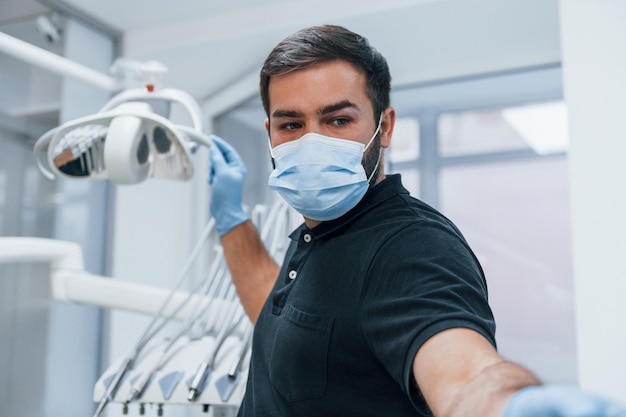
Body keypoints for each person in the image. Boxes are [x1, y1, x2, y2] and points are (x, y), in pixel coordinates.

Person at [207, 25, 626, 417]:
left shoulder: (409, 247)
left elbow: (463, 372)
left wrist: (506, 403)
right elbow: (287, 315)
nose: (312, 142)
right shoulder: (320, 232)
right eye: (291, 124)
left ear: (384, 127)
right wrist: (231, 222)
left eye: (338, 120)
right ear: (270, 132)